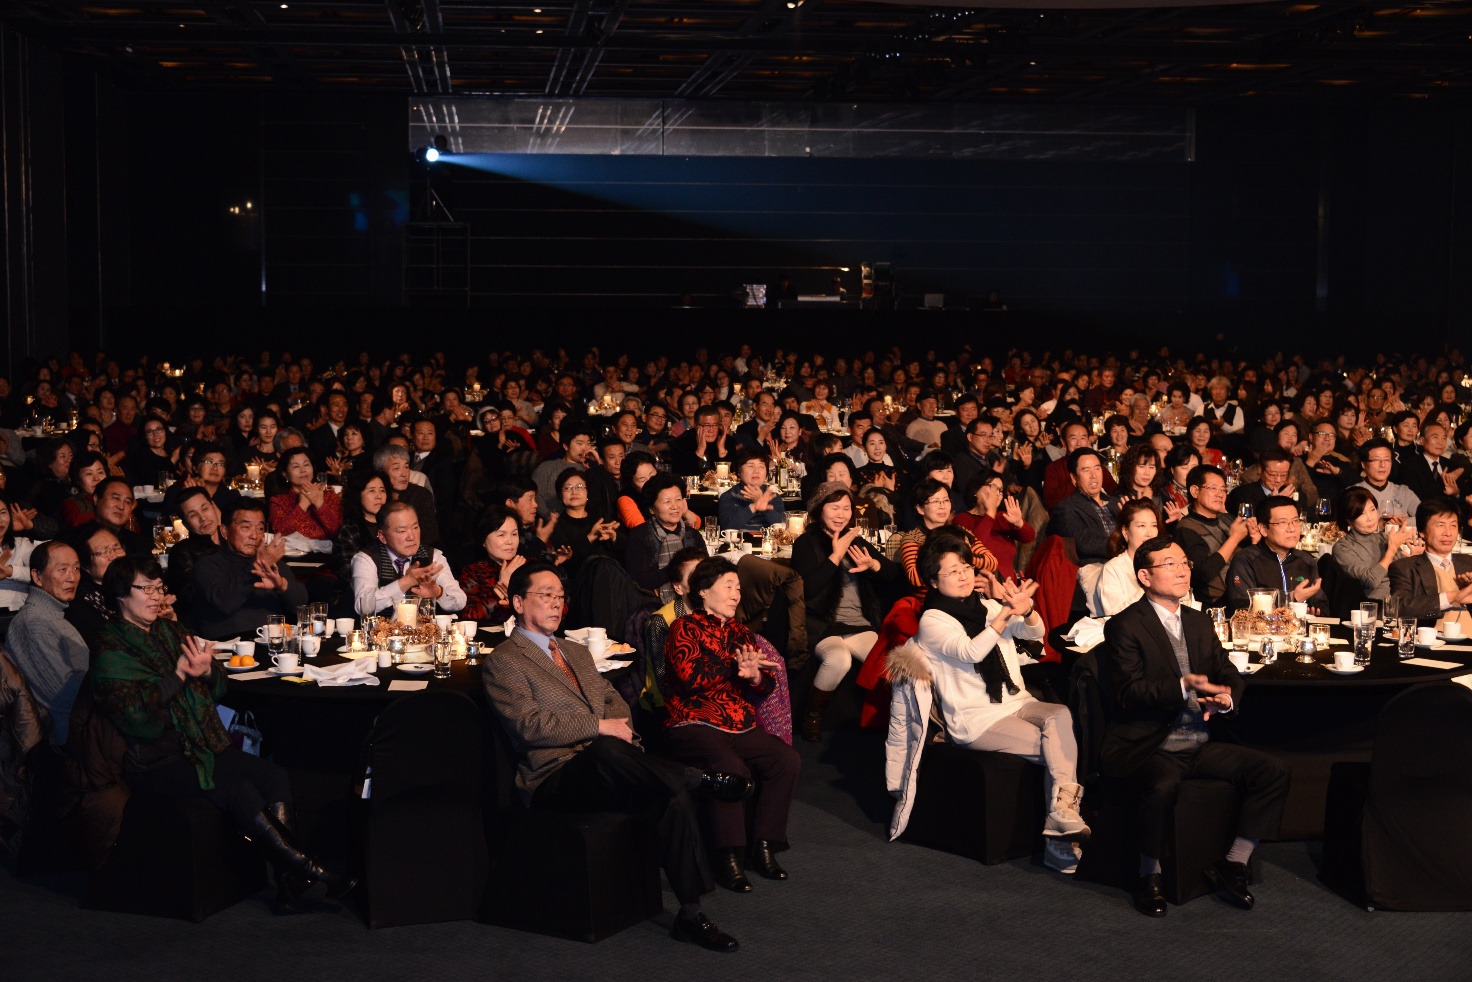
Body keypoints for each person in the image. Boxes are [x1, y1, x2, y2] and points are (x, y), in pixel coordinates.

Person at [483, 563, 750, 953]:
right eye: (546, 595)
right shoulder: (505, 660)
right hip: (554, 775)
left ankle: (690, 914)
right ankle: (695, 778)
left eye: (561, 596)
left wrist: (619, 731)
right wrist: (598, 727)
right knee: (610, 749)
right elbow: (529, 726)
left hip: (609, 765)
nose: (556, 603)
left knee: (669, 796)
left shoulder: (576, 651)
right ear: (519, 602)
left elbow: (614, 701)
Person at [91, 555, 355, 913]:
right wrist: (178, 677)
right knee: (239, 790)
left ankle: (290, 883)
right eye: (146, 589)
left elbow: (218, 687)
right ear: (122, 594)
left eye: (159, 588)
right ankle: (314, 871)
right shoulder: (110, 646)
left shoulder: (170, 631)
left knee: (274, 776)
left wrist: (205, 672)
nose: (156, 597)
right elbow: (136, 717)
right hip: (155, 760)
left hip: (200, 744)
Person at [1099, 536, 1290, 917]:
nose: (1182, 570)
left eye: (1184, 562)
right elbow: (1128, 693)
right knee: (1161, 787)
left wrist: (1226, 699)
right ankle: (1149, 874)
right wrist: (1181, 686)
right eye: (1169, 564)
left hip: (1199, 741)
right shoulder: (1126, 625)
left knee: (1273, 771)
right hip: (1152, 743)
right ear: (1145, 576)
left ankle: (1234, 863)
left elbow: (1227, 672)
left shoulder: (1198, 621)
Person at [892, 534, 1088, 874]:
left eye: (966, 567)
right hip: (976, 718)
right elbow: (971, 651)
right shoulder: (933, 621)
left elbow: (1034, 635)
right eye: (953, 571)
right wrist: (1004, 615)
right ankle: (1059, 841)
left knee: (1059, 714)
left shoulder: (987, 604)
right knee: (1058, 749)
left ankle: (1061, 817)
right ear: (934, 580)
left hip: (1015, 700)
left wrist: (1027, 611)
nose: (964, 576)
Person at [662, 557, 800, 892]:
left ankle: (763, 846)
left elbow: (764, 686)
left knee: (785, 760)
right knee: (729, 767)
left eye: (738, 587)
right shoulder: (684, 628)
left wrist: (754, 677)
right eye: (728, 586)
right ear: (703, 591)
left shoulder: (741, 632)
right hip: (693, 720)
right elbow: (690, 677)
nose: (736, 594)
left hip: (738, 722)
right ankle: (729, 857)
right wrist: (733, 667)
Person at [790, 482, 900, 741]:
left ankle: (890, 720)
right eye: (834, 507)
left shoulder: (855, 541)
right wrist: (835, 556)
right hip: (822, 626)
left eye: (846, 508)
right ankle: (813, 716)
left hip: (859, 625)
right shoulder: (806, 543)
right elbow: (807, 589)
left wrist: (873, 565)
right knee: (839, 660)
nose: (841, 514)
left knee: (891, 664)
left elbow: (893, 575)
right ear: (820, 509)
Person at [5, 541, 88, 744]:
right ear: (37, 577)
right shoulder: (33, 622)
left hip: (85, 724)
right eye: (62, 569)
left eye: (76, 568)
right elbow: (64, 695)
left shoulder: (53, 614)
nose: (72, 577)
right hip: (71, 736)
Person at [191, 501, 308, 640]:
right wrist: (259, 567)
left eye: (260, 528)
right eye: (246, 527)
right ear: (224, 531)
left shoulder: (274, 564)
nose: (254, 536)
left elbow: (300, 607)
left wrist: (282, 585)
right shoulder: (208, 565)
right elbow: (224, 603)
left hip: (274, 643)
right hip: (228, 646)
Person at [349, 501, 466, 617]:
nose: (411, 537)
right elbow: (362, 606)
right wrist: (405, 582)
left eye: (415, 527)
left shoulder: (432, 555)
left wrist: (439, 593)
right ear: (382, 536)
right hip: (381, 628)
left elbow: (460, 601)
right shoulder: (366, 558)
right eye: (402, 531)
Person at [1224, 495, 1326, 613]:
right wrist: (1293, 600)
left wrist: (1316, 611)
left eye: (1295, 521)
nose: (1291, 529)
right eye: (1282, 523)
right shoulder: (1246, 560)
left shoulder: (1306, 560)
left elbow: (1321, 603)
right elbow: (1242, 609)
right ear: (1263, 529)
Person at [1173, 465, 1256, 606]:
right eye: (1213, 488)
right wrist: (1234, 539)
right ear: (1194, 491)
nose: (1220, 494)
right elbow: (1203, 573)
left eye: (1223, 489)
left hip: (1244, 596)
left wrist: (1255, 541)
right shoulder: (1186, 528)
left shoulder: (1227, 519)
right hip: (1215, 606)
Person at [1389, 497, 1472, 630]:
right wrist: (1452, 597)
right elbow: (1400, 607)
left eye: (1453, 525)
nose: (1448, 533)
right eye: (1440, 525)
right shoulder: (1405, 568)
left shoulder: (1468, 562)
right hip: (1434, 639)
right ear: (1421, 531)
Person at [1331, 487, 1422, 605]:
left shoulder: (1383, 538)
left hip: (1402, 600)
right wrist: (1391, 551)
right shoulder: (1343, 548)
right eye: (1361, 513)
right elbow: (1370, 581)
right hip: (1372, 604)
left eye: (1372, 510)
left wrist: (1416, 560)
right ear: (1349, 520)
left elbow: (1405, 576)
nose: (1370, 518)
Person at [624, 475, 704, 603]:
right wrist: (676, 569)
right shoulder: (639, 536)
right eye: (667, 501)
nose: (675, 506)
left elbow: (706, 573)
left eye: (678, 499)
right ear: (651, 509)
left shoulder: (693, 535)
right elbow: (638, 582)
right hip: (650, 605)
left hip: (693, 603)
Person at [1048, 447, 1118, 565]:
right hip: (1096, 567)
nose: (1093, 475)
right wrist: (1123, 547)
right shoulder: (1066, 508)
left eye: (1097, 468)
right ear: (1074, 478)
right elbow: (1085, 543)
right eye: (1086, 470)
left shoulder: (1116, 503)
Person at [1097, 499, 1165, 617]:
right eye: (1141, 526)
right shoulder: (1113, 569)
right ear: (1125, 531)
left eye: (1154, 525)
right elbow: (1115, 616)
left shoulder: (1165, 563)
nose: (1149, 533)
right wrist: (1149, 586)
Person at [458, 506, 526, 624]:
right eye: (501, 535)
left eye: (514, 534)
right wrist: (500, 589)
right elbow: (468, 618)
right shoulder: (473, 572)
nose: (510, 541)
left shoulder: (531, 567)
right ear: (483, 541)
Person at [268, 446, 342, 542]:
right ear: (285, 474)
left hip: (328, 550)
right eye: (296, 466)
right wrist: (303, 505)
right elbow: (279, 533)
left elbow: (339, 533)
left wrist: (319, 503)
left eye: (306, 464)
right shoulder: (278, 501)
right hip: (291, 550)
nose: (303, 470)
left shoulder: (329, 496)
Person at [374, 443, 440, 547]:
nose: (404, 473)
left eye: (406, 467)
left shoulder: (420, 495)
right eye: (396, 468)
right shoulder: (377, 496)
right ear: (381, 472)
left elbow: (430, 538)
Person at [1041, 421, 1117, 510]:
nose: (1079, 443)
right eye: (1073, 438)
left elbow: (1115, 492)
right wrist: (1077, 481)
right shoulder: (1054, 468)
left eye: (1083, 438)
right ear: (1063, 442)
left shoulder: (1095, 466)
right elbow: (1050, 502)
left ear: (1088, 441)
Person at [1353, 439, 1421, 529]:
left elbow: (1426, 517)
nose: (1382, 465)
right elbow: (1347, 525)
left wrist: (1403, 522)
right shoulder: (1354, 493)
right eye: (1376, 460)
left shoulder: (1403, 491)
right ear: (1363, 464)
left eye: (1387, 460)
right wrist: (1378, 525)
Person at [716, 448, 787, 533]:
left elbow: (782, 527)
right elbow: (727, 527)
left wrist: (765, 507)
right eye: (750, 466)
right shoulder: (729, 496)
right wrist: (754, 506)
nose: (756, 471)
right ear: (739, 471)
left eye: (761, 466)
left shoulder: (773, 497)